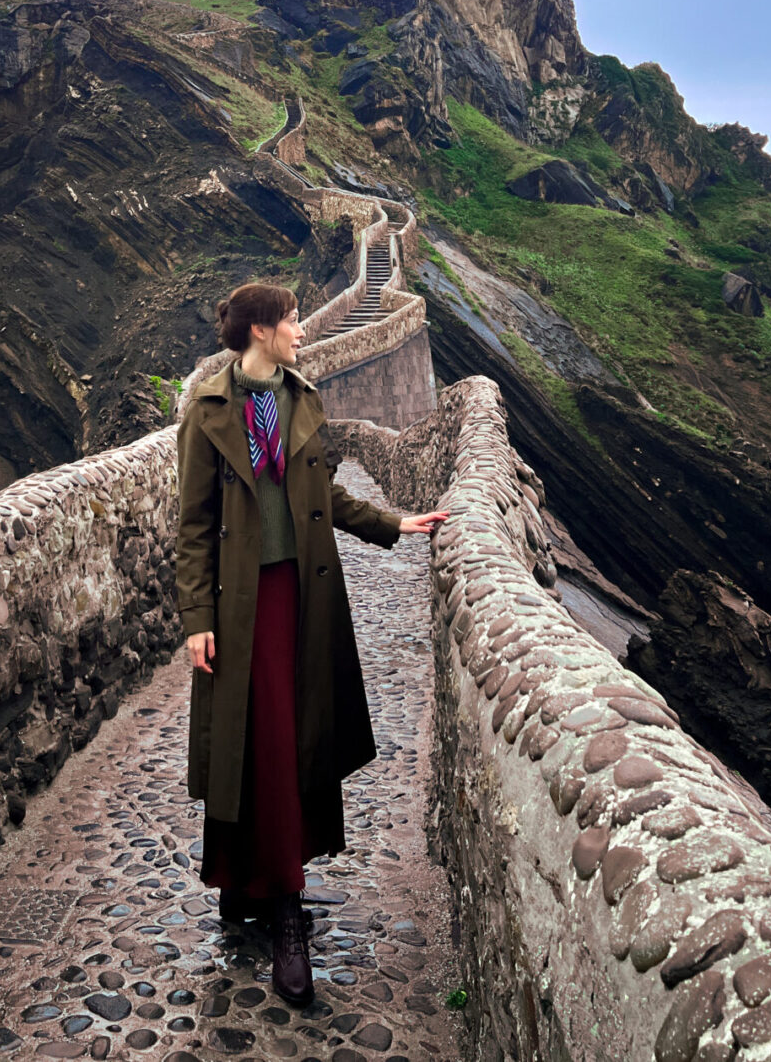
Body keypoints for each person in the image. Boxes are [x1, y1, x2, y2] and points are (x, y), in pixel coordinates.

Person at [175, 281, 448, 1005]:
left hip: (301, 595)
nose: (301, 331)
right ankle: (282, 904)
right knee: (254, 738)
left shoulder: (300, 400)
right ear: (261, 330)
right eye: (292, 320)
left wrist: (395, 524)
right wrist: (197, 616)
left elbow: (324, 497)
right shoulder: (206, 411)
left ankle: (255, 882)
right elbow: (194, 525)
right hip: (239, 604)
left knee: (290, 735)